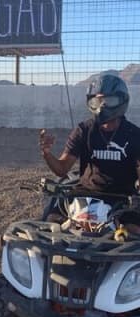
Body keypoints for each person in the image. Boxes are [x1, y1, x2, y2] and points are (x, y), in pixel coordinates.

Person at [39, 74, 140, 233]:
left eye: (108, 100)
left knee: (132, 232)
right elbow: (61, 169)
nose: (102, 106)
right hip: (85, 193)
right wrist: (47, 153)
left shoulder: (134, 135)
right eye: (97, 101)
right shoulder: (84, 130)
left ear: (122, 100)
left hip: (122, 197)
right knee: (49, 225)